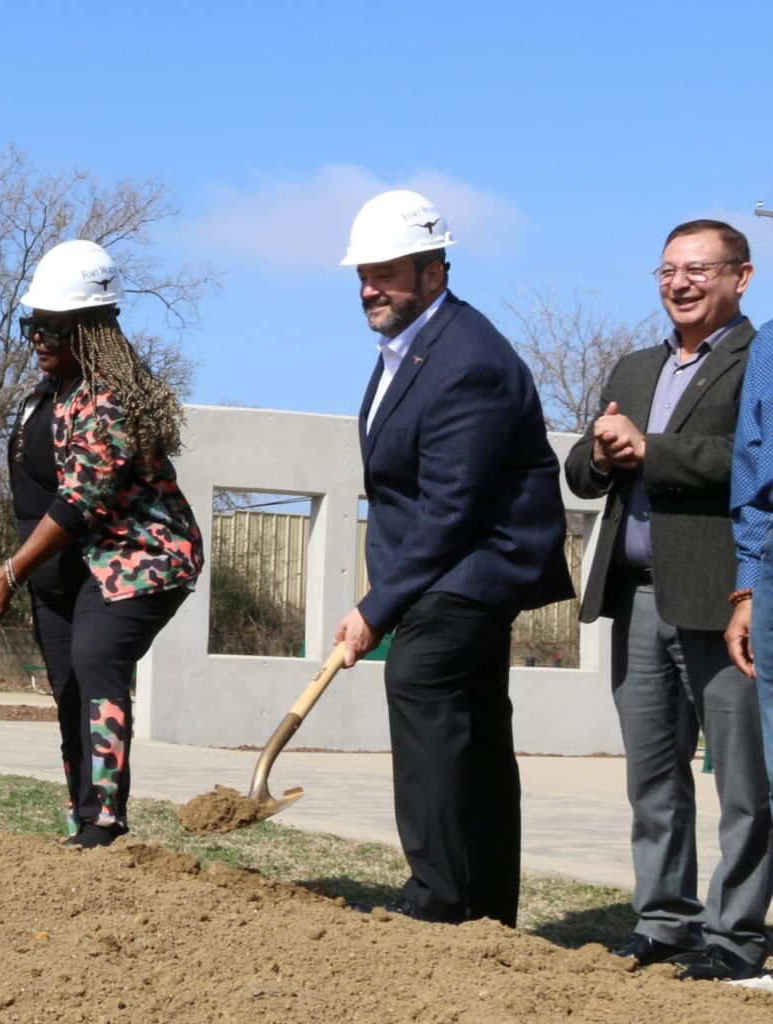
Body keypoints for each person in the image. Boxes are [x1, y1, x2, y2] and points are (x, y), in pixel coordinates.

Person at [332, 190, 573, 927]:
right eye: (364, 273)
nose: (372, 287)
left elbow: (451, 508)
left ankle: (436, 899)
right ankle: (486, 910)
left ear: (434, 273)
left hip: (476, 562)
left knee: (420, 682)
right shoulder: (408, 350)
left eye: (389, 272)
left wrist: (376, 606)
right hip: (447, 562)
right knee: (474, 727)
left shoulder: (467, 359)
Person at [568, 220, 769, 982]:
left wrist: (656, 451)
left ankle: (738, 933)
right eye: (665, 271)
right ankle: (665, 920)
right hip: (637, 600)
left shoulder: (761, 361)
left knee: (744, 782)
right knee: (652, 777)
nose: (678, 284)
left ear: (740, 277)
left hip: (725, 599)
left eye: (696, 270)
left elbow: (752, 459)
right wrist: (597, 451)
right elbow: (582, 477)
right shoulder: (633, 366)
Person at [0, 240, 203, 849]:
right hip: (64, 573)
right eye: (33, 324)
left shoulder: (110, 398)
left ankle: (104, 821)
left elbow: (79, 502)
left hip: (136, 563)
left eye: (53, 326)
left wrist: (9, 573)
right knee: (69, 690)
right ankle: (82, 819)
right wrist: (30, 572)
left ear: (93, 328)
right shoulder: (46, 394)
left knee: (98, 660)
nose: (38, 337)